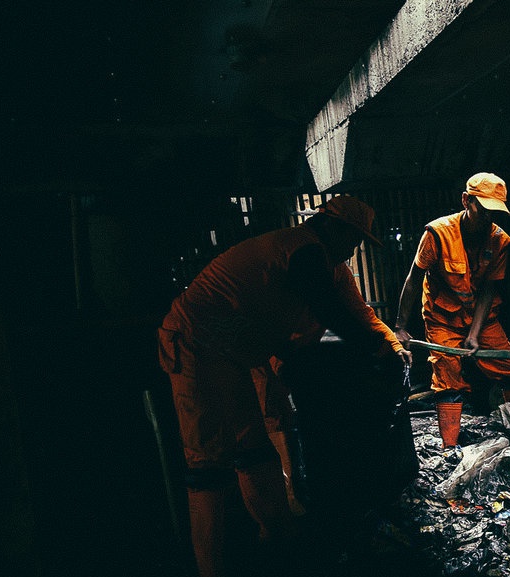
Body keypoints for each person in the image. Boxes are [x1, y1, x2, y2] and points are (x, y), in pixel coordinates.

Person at [157, 195, 410, 577]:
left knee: (252, 447)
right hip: (196, 342)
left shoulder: (329, 264)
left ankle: (278, 537)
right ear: (332, 226)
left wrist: (390, 346)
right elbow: (328, 309)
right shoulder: (301, 248)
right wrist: (371, 351)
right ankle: (212, 568)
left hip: (234, 352)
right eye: (354, 239)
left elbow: (359, 313)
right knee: (208, 462)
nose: (354, 249)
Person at [393, 172, 510, 448]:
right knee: (447, 378)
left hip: (481, 318)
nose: (488, 218)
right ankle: (450, 446)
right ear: (466, 201)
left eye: (494, 212)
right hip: (442, 317)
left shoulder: (500, 240)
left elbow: (489, 290)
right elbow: (414, 279)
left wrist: (474, 334)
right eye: (483, 210)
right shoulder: (437, 234)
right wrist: (400, 326)